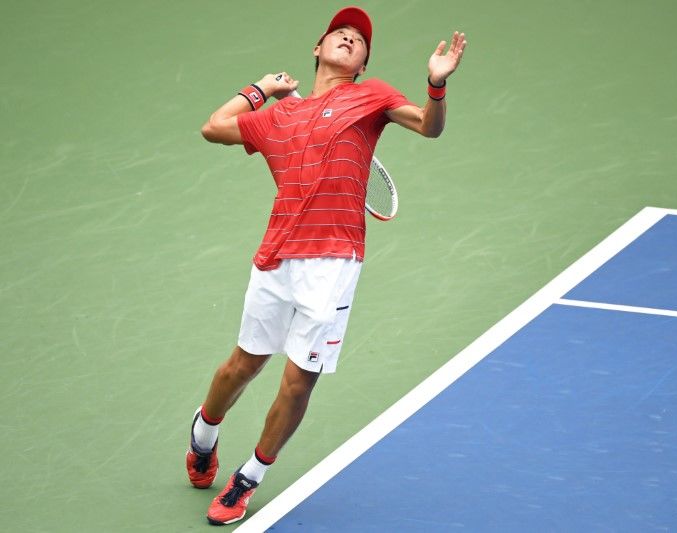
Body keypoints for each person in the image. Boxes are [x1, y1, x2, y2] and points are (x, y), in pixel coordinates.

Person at [187, 6, 467, 526]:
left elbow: (430, 128)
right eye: (338, 33)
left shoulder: (372, 96)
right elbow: (213, 127)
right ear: (317, 49)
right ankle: (203, 435)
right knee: (243, 365)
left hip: (334, 263)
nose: (348, 38)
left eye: (358, 40)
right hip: (275, 258)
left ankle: (247, 479)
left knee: (299, 382)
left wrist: (435, 84)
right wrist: (263, 87)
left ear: (362, 64)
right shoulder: (278, 117)